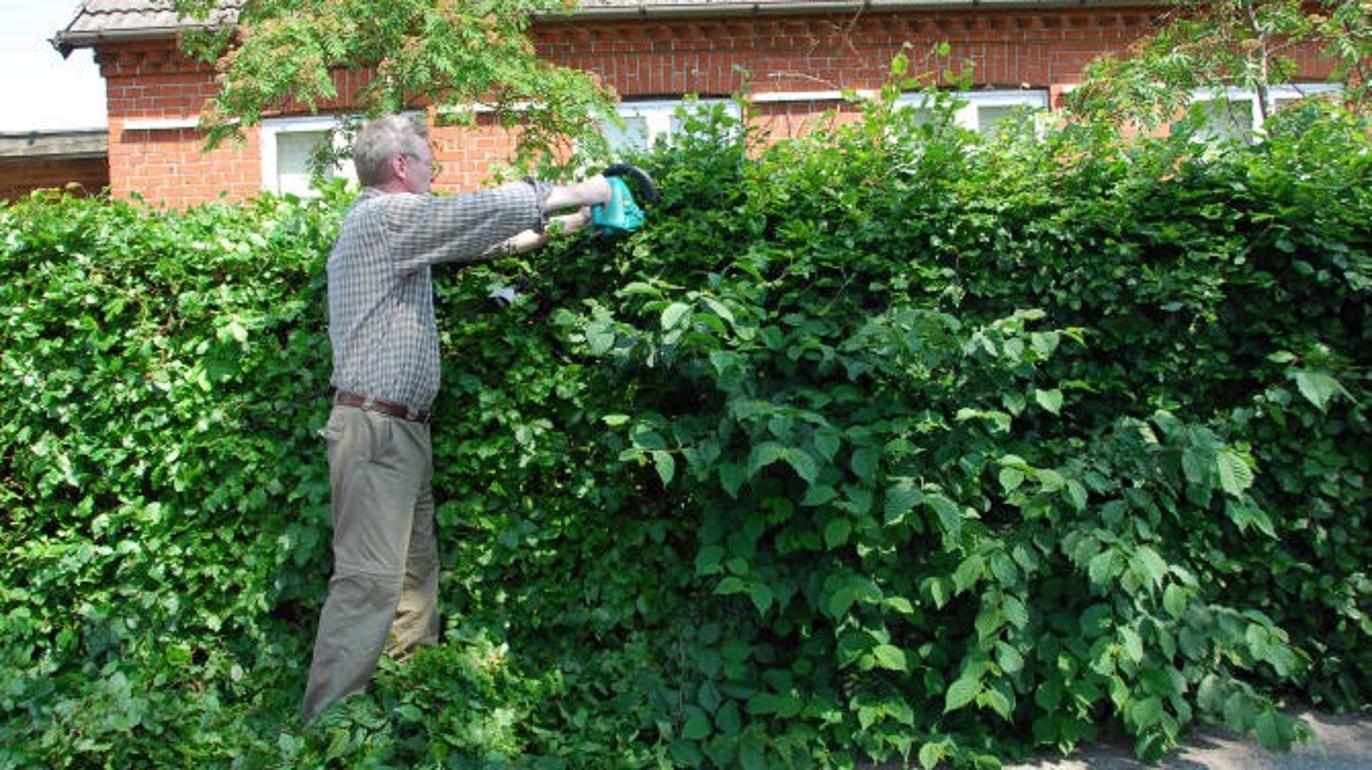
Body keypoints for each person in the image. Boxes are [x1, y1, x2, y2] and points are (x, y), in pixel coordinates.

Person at [302, 114, 612, 721]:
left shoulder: (399, 235)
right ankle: (327, 731)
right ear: (399, 166)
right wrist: (584, 190)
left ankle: (410, 702)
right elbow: (473, 213)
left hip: (401, 430)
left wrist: (562, 228)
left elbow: (476, 242)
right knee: (369, 581)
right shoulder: (383, 217)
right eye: (427, 161)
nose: (431, 172)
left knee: (415, 574)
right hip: (376, 432)